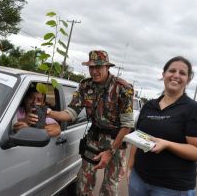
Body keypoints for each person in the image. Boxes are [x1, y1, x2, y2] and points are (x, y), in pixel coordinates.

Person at [30, 50, 134, 195]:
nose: (94, 71)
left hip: (116, 142)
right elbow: (71, 113)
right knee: (84, 183)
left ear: (107, 67)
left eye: (98, 67)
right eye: (91, 67)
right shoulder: (85, 86)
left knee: (110, 187)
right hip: (94, 138)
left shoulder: (123, 88)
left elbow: (127, 125)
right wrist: (49, 112)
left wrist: (110, 152)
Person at [127, 56, 197, 196]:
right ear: (164, 74)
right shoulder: (149, 106)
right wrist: (130, 167)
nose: (176, 75)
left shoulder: (194, 110)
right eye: (172, 70)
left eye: (182, 73)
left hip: (172, 188)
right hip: (139, 180)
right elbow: (137, 137)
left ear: (188, 79)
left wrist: (167, 144)